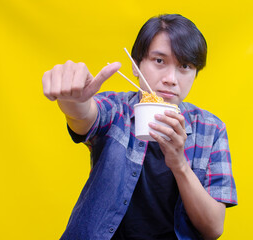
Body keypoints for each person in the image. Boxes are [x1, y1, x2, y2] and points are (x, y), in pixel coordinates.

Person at [42, 14, 237, 240]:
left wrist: (179, 163)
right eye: (159, 61)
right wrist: (73, 101)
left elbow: (213, 229)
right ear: (136, 65)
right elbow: (85, 116)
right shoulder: (117, 109)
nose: (171, 79)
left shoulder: (211, 129)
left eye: (185, 65)